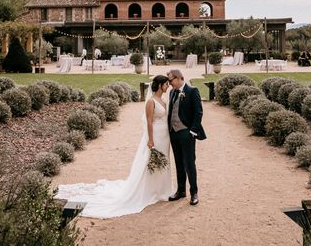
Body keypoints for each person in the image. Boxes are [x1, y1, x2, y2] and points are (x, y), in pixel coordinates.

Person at [55, 75, 173, 218]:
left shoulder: (163, 101)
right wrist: (150, 140)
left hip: (164, 137)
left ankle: (161, 190)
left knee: (163, 161)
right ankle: (148, 190)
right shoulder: (151, 101)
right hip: (155, 136)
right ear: (160, 85)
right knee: (150, 162)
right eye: (166, 84)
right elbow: (149, 122)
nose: (168, 86)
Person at [167, 69, 206, 206]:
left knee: (189, 163)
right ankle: (181, 190)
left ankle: (194, 192)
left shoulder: (192, 90)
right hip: (174, 133)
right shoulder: (172, 92)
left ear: (178, 78)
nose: (169, 83)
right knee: (178, 162)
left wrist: (192, 131)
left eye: (170, 80)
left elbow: (198, 112)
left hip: (186, 133)